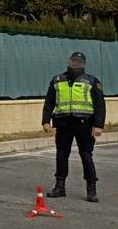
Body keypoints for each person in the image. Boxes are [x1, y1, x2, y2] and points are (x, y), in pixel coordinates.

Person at [42, 51, 106, 202]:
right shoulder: (57, 80)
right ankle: (59, 187)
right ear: (69, 62)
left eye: (78, 62)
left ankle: (91, 189)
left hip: (85, 123)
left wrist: (98, 125)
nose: (75, 64)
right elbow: (49, 101)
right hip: (63, 123)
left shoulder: (91, 81)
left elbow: (100, 104)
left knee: (86, 155)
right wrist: (45, 121)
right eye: (73, 61)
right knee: (61, 155)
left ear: (84, 64)